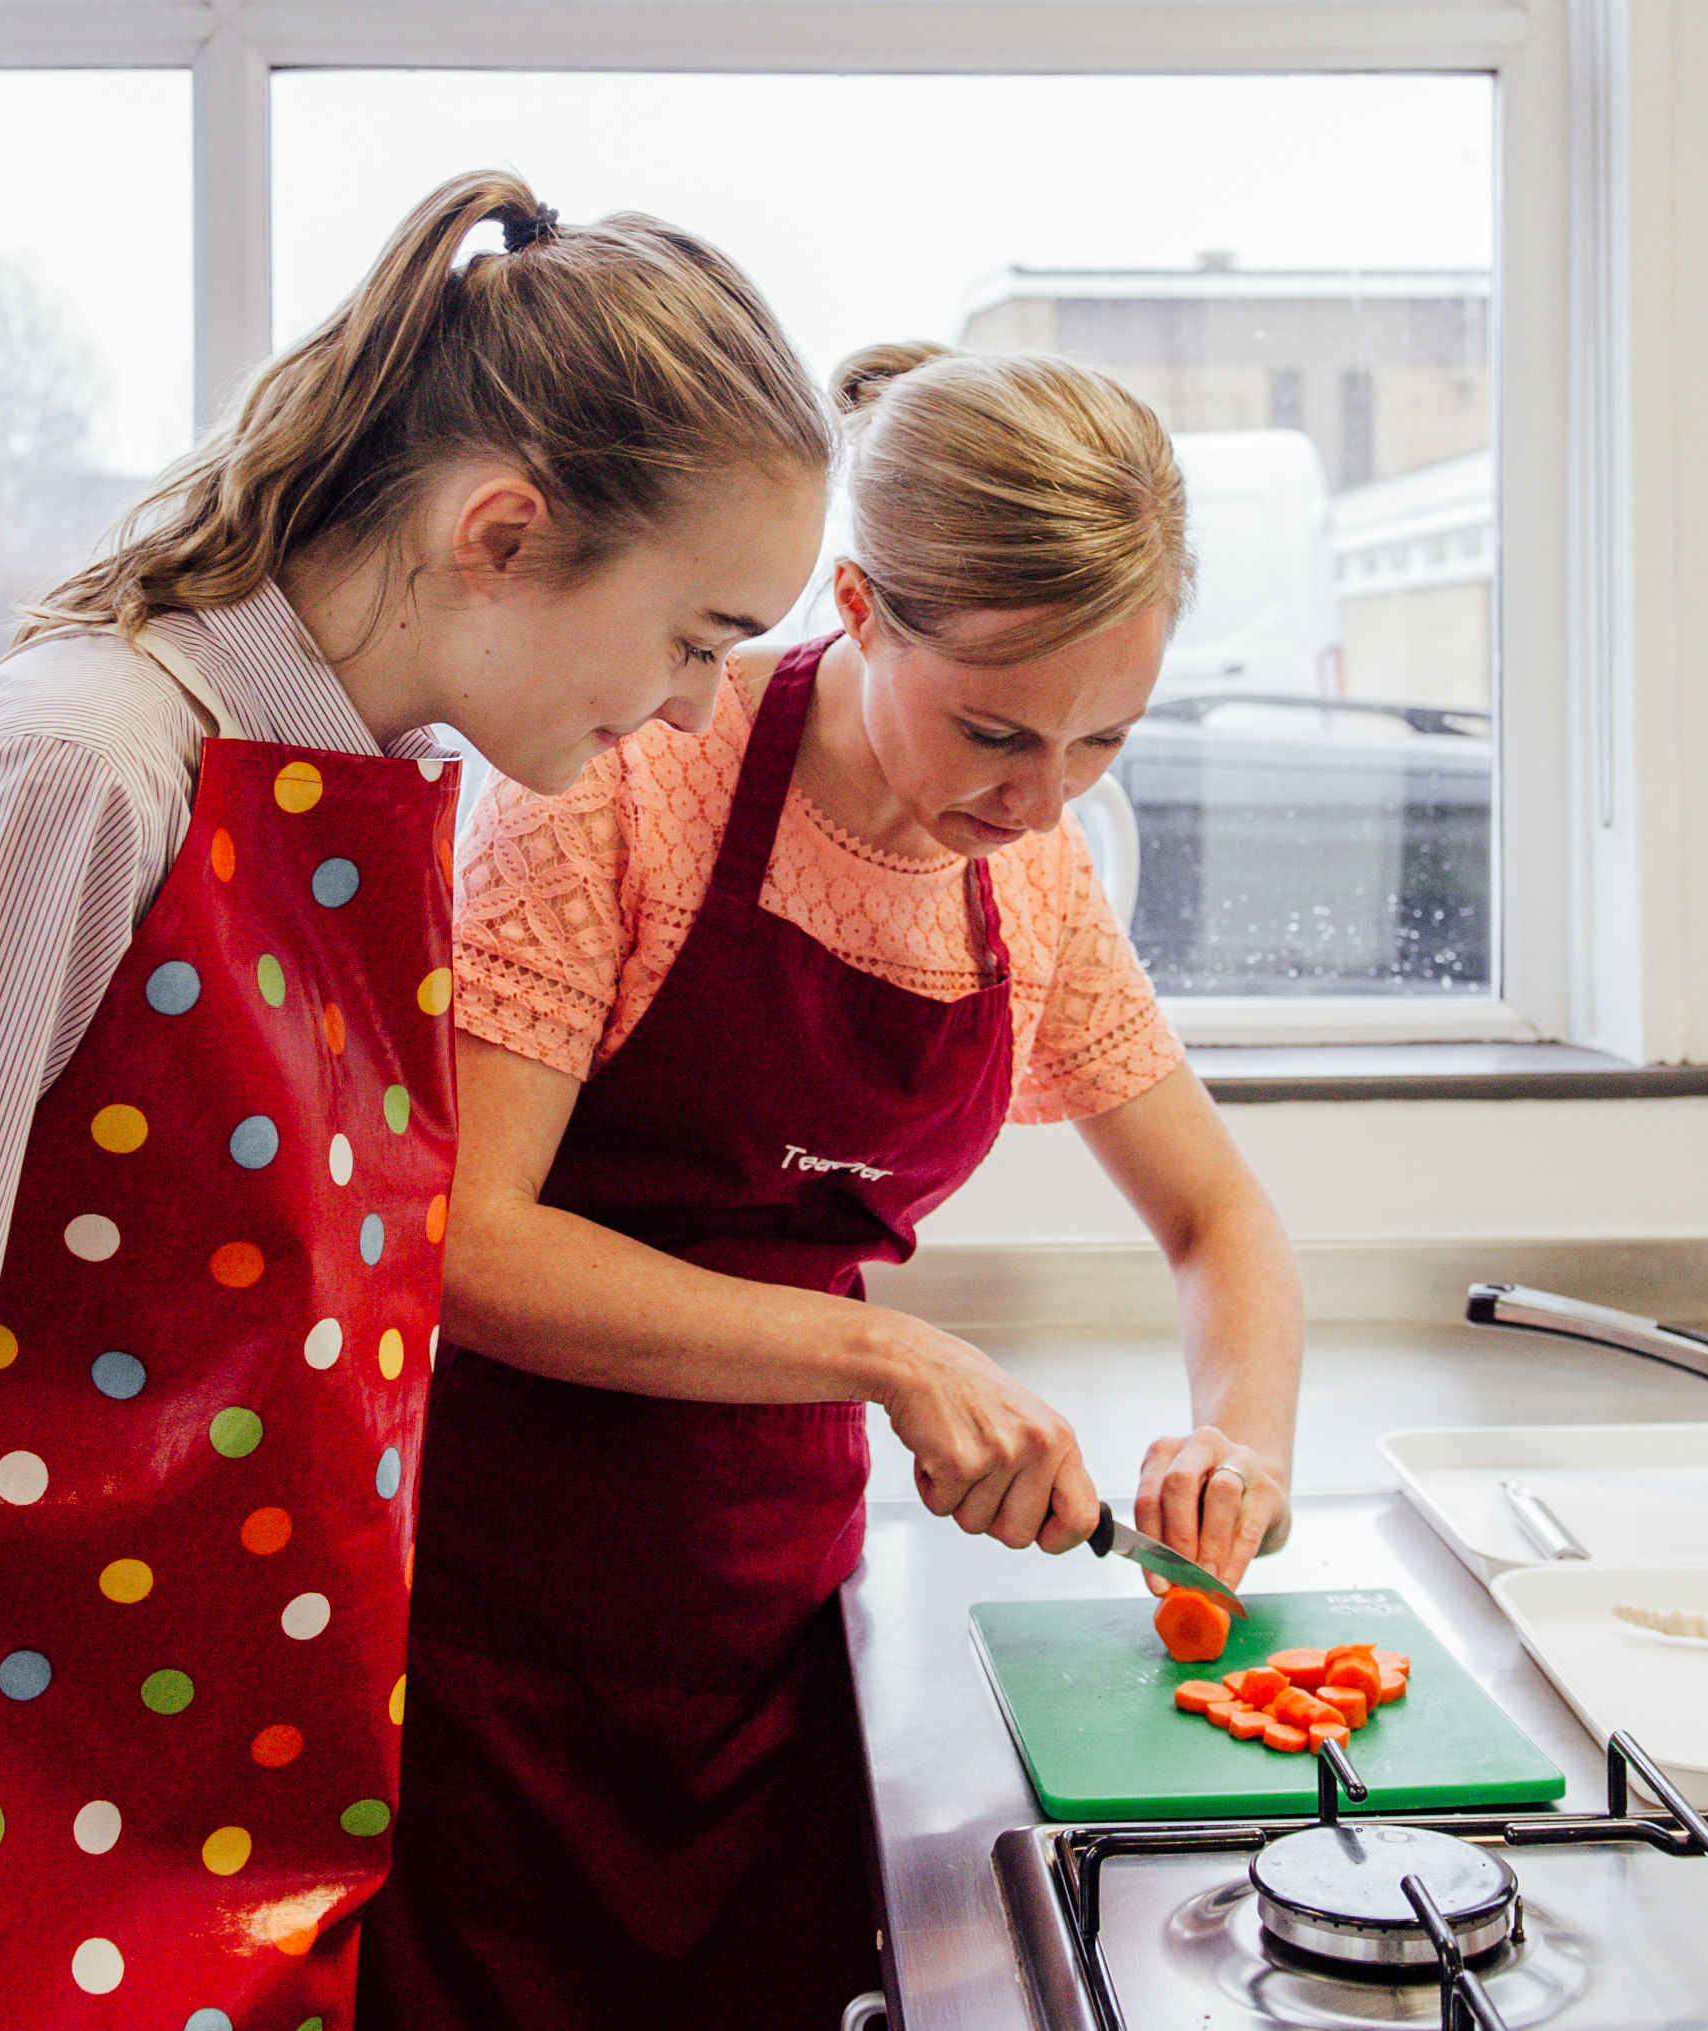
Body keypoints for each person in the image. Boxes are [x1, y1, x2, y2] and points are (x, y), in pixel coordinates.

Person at [0, 173, 832, 2031]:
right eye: (696, 637)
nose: (694, 712)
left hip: (73, 1828)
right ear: (503, 532)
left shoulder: (332, 794)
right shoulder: (78, 779)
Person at [363, 341, 1305, 2030]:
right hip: (492, 1616)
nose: (1041, 800)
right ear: (860, 608)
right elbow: (468, 1251)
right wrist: (888, 1352)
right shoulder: (626, 774)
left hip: (787, 1614)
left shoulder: (1032, 883)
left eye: (1103, 739)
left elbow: (1216, 1221)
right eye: (996, 731)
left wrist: (1239, 1442)